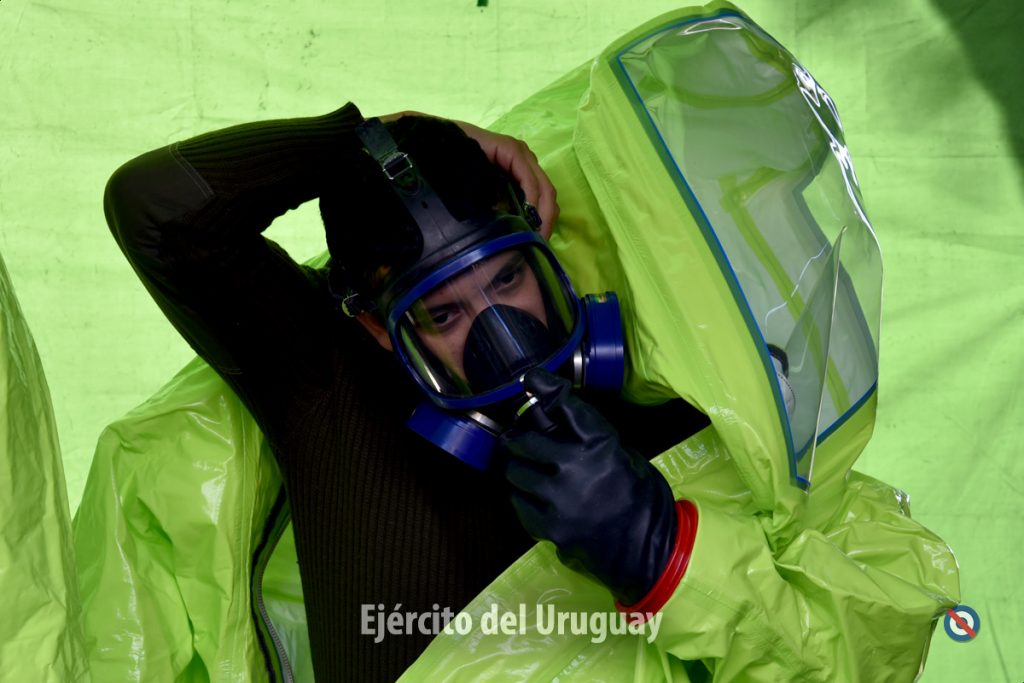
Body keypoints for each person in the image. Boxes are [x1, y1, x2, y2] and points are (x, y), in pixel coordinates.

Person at [104, 103, 709, 681]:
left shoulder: (668, 384)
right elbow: (156, 207)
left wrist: (660, 556)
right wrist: (370, 138)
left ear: (539, 241)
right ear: (376, 326)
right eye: (443, 315)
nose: (501, 335)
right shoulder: (331, 385)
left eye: (508, 277)